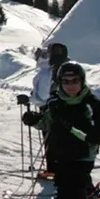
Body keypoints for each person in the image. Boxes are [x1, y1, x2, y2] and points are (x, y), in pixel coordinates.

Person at [21, 61, 100, 199]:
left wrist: (70, 126)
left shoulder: (92, 105)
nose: (70, 85)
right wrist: (34, 120)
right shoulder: (57, 102)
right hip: (60, 159)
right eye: (66, 81)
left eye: (75, 81)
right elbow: (48, 123)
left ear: (82, 81)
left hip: (80, 160)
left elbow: (95, 136)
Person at [31, 42, 70, 180]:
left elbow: (44, 94)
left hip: (51, 108)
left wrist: (31, 99)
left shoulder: (52, 71)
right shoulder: (66, 67)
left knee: (51, 139)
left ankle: (53, 169)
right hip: (64, 108)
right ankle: (62, 168)